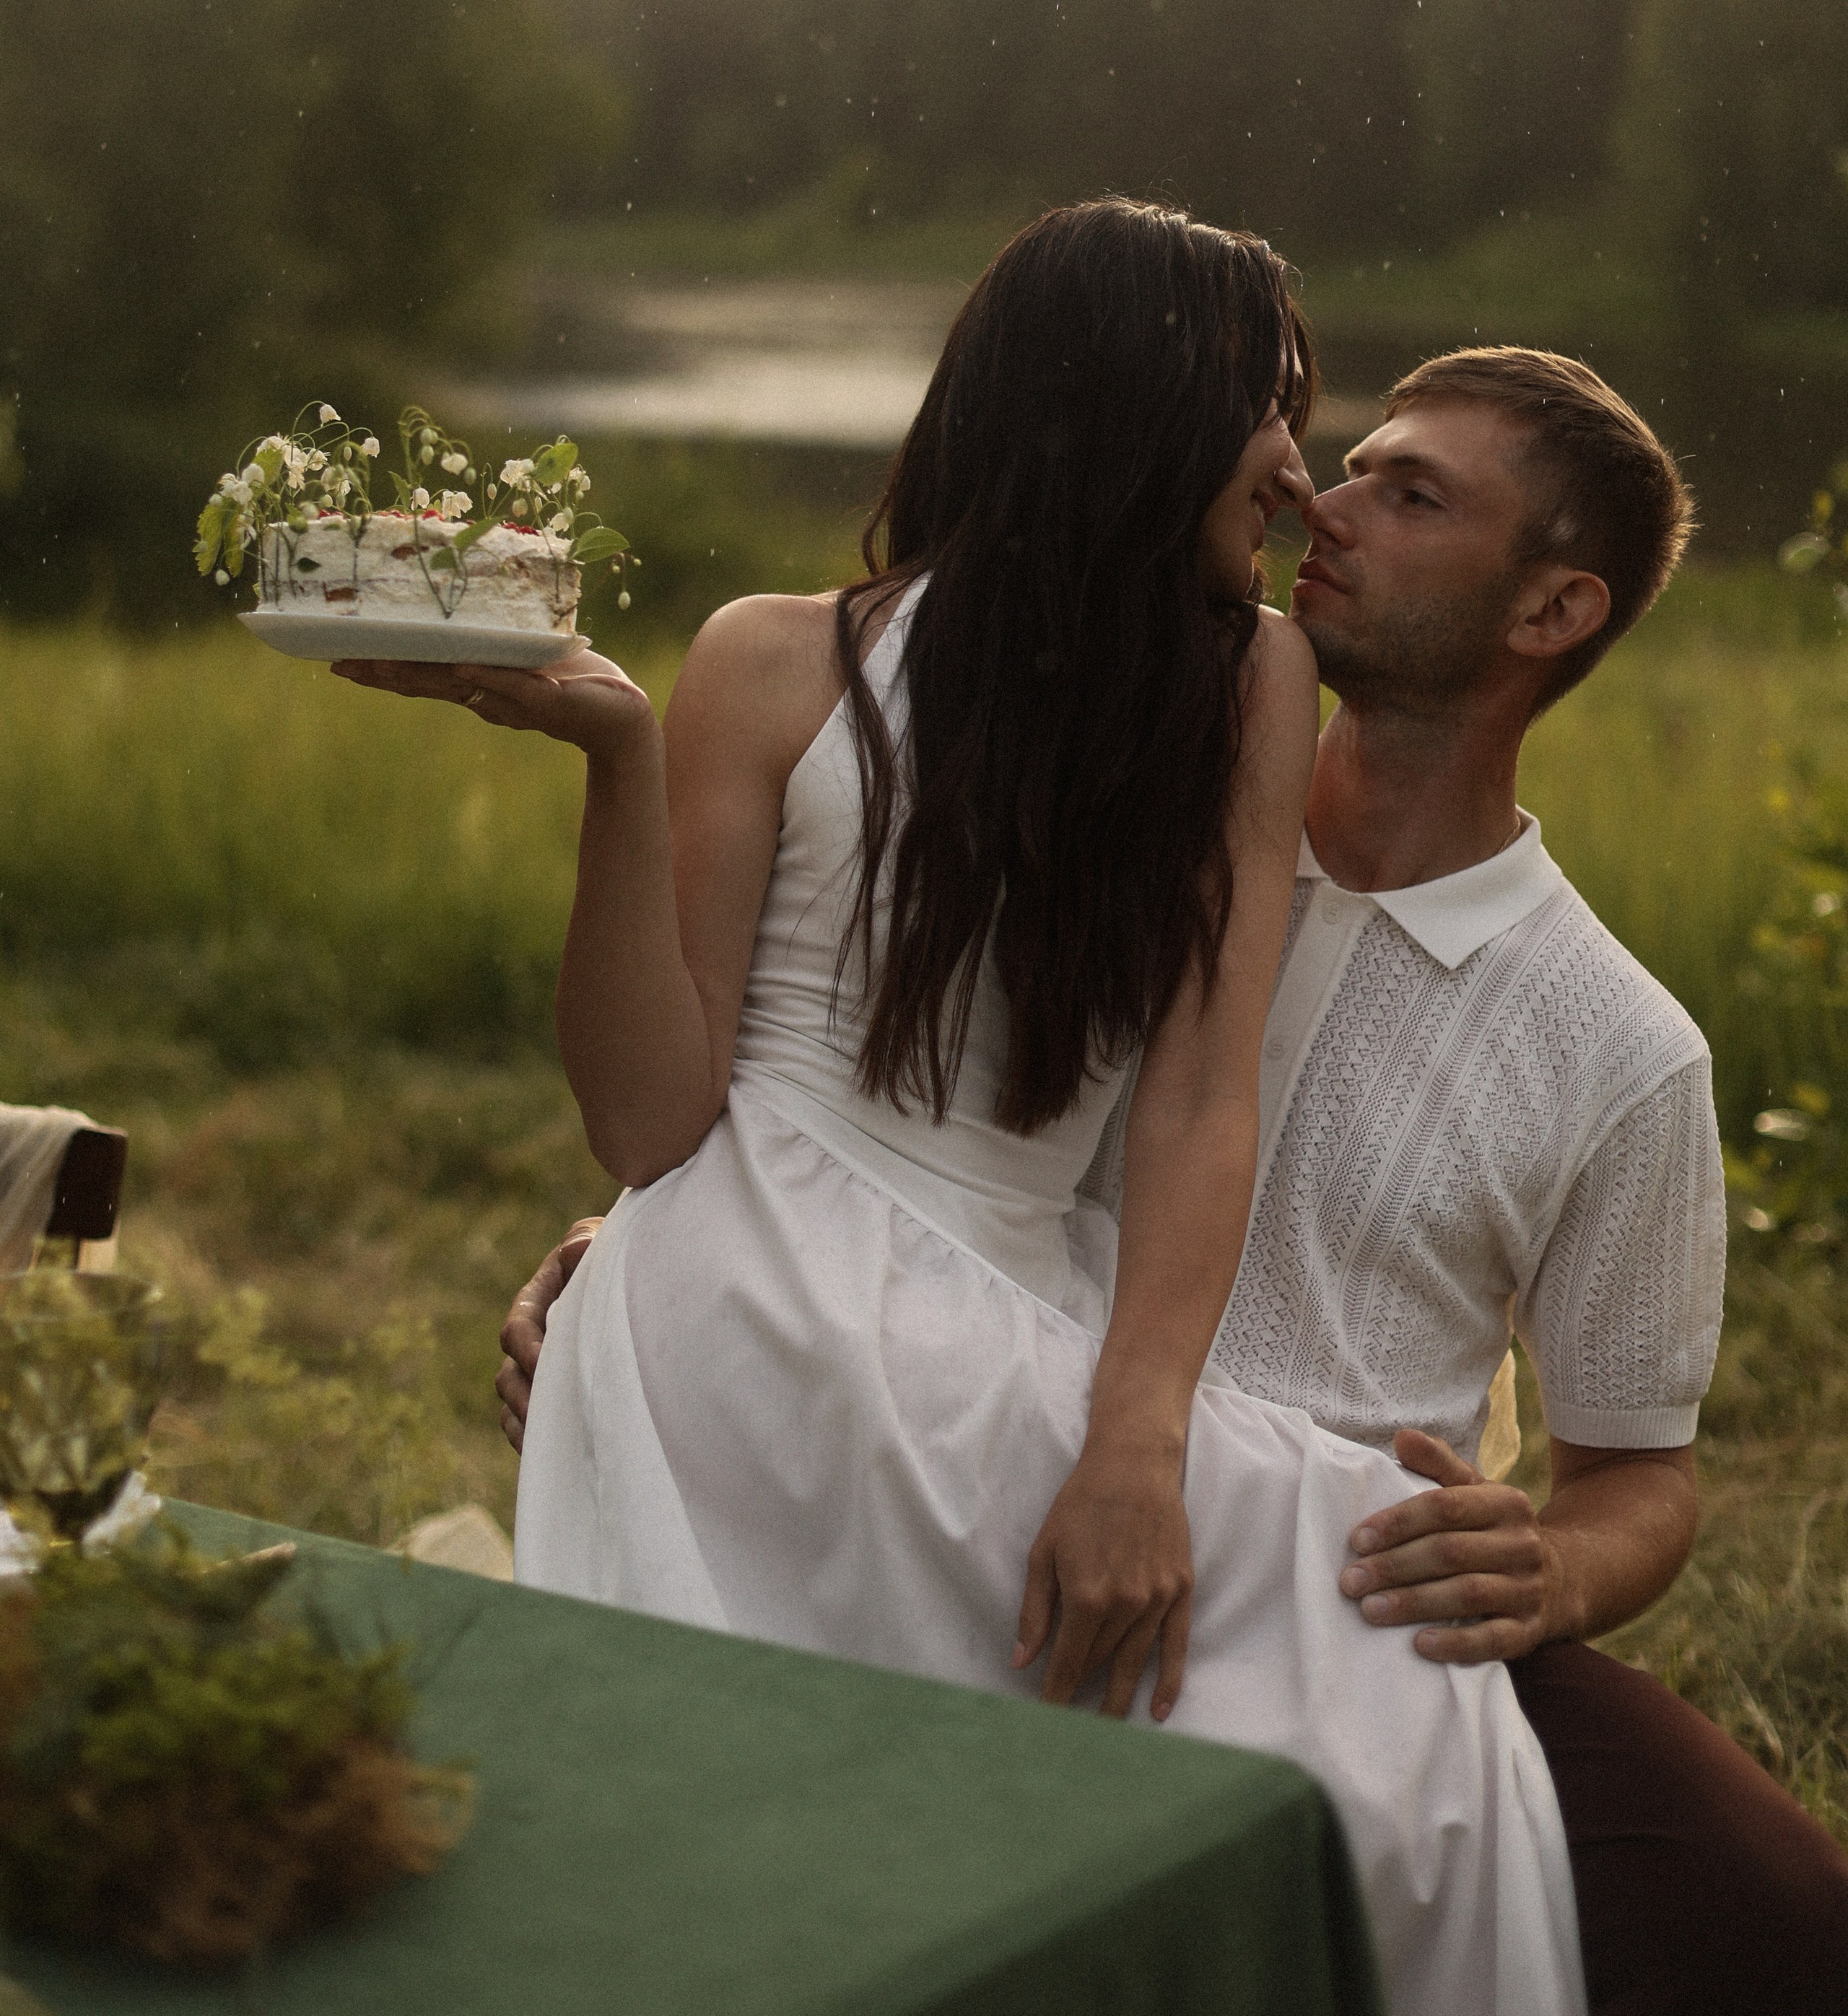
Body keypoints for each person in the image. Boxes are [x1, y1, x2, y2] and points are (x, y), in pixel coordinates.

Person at [499, 338, 1848, 2013]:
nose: (1317, 498)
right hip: (956, 1488)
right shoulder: (1111, 831)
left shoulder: (1613, 1047)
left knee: (1776, 1920)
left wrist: (1553, 1568)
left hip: (1327, 1592)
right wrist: (657, 1262)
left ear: (1549, 612)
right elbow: (865, 1121)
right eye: (1348, 459)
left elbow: (1641, 1471)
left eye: (1407, 495)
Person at [343, 204, 1584, 2016]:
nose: (1298, 476)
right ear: (1140, 401)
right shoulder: (772, 658)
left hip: (1003, 1305)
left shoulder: (1244, 683)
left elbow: (1191, 1102)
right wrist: (613, 755)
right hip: (745, 1295)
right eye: (1276, 407)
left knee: (1398, 1687)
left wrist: (1135, 1447)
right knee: (826, 1833)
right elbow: (651, 1124)